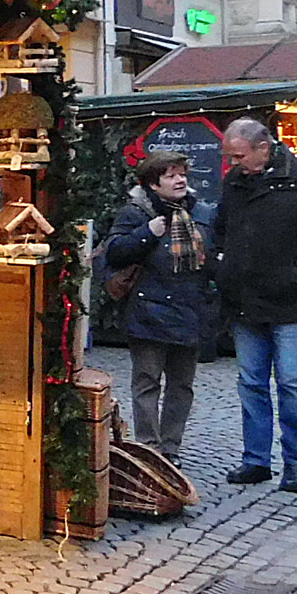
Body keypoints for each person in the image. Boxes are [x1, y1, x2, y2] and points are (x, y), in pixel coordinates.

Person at [214, 118, 297, 493]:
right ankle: (256, 460)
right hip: (245, 299)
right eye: (231, 156)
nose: (233, 163)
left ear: (263, 148)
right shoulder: (235, 181)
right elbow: (223, 226)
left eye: (239, 155)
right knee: (251, 383)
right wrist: (222, 264)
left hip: (291, 302)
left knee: (291, 383)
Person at [103, 152, 218, 464]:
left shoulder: (202, 212)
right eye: (170, 175)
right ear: (153, 183)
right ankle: (149, 447)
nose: (180, 180)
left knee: (182, 386)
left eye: (182, 174)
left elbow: (214, 256)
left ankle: (171, 448)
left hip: (189, 309)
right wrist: (146, 234)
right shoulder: (136, 212)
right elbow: (113, 253)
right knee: (147, 382)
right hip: (149, 311)